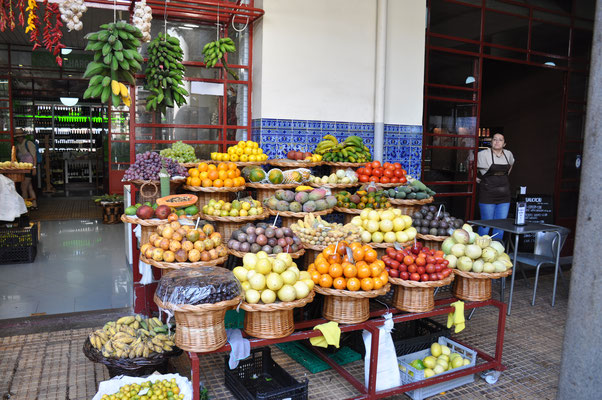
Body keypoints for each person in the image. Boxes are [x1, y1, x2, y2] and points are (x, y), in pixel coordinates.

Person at [476, 133, 514, 240]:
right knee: (486, 224)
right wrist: (475, 178)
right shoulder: (483, 154)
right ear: (491, 142)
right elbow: (469, 165)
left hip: (504, 195)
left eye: (500, 140)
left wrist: (503, 176)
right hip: (487, 193)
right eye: (495, 139)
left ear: (504, 144)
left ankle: (496, 250)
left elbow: (511, 165)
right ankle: (480, 250)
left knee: (500, 225)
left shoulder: (508, 154)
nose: (497, 142)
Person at [14, 128, 38, 209]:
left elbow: (34, 156)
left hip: (29, 169)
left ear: (23, 137)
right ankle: (34, 205)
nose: (19, 138)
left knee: (23, 187)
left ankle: (25, 207)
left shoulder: (28, 143)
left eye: (20, 136)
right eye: (17, 137)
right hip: (23, 169)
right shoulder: (18, 146)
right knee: (29, 187)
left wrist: (34, 168)